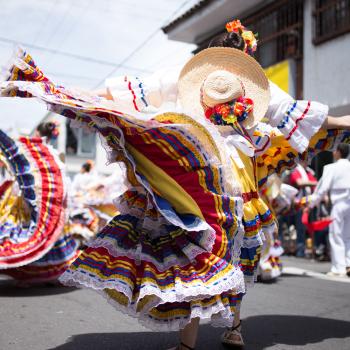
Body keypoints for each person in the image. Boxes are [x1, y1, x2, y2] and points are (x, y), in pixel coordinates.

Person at [2, 26, 350, 350]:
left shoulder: (181, 78)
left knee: (199, 257)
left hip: (195, 184)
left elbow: (117, 95)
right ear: (246, 58)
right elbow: (308, 117)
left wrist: (62, 92)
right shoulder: (258, 92)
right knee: (232, 261)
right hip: (236, 188)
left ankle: (193, 341)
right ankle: (234, 328)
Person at [0, 123, 80, 284]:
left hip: (32, 201)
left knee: (32, 233)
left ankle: (33, 275)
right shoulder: (54, 155)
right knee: (51, 237)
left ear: (37, 131)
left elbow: (13, 151)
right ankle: (50, 276)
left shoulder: (31, 150)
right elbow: (65, 187)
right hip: (54, 205)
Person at [307, 143, 350, 277]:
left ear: (338, 152)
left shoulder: (332, 168)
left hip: (339, 203)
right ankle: (348, 264)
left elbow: (322, 189)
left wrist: (311, 204)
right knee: (348, 236)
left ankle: (339, 268)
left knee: (336, 235)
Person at [289, 161, 318, 257]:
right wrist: (314, 183)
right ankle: (300, 250)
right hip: (299, 205)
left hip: (309, 204)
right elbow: (300, 182)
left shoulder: (308, 172)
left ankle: (312, 250)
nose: (308, 161)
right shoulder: (296, 171)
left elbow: (315, 185)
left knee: (311, 228)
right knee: (300, 228)